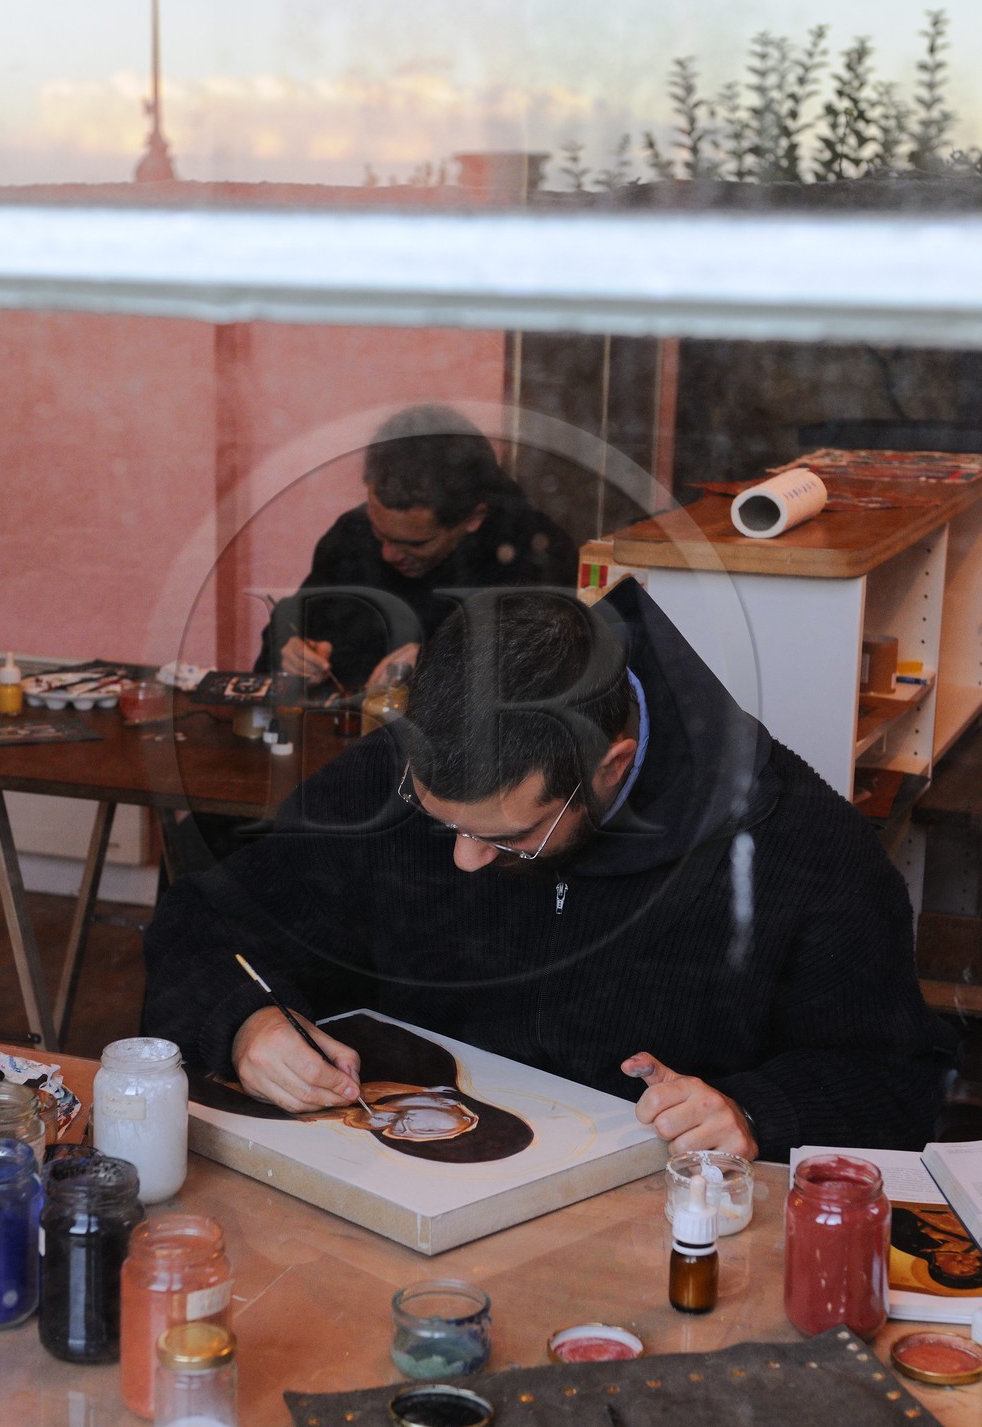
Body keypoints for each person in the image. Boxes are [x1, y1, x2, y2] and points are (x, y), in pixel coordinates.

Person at [145, 582, 954, 1163]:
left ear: (613, 764)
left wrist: (751, 1112)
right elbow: (204, 924)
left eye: (512, 836)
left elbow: (892, 1085)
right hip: (394, 1200)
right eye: (440, 819)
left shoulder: (802, 853)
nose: (465, 860)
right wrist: (243, 1023)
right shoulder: (405, 772)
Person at [255, 404, 577, 690]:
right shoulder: (352, 535)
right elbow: (293, 623)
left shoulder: (535, 555)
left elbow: (550, 668)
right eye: (379, 532)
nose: (388, 554)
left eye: (415, 543)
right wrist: (292, 650)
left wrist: (437, 663)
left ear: (473, 518)